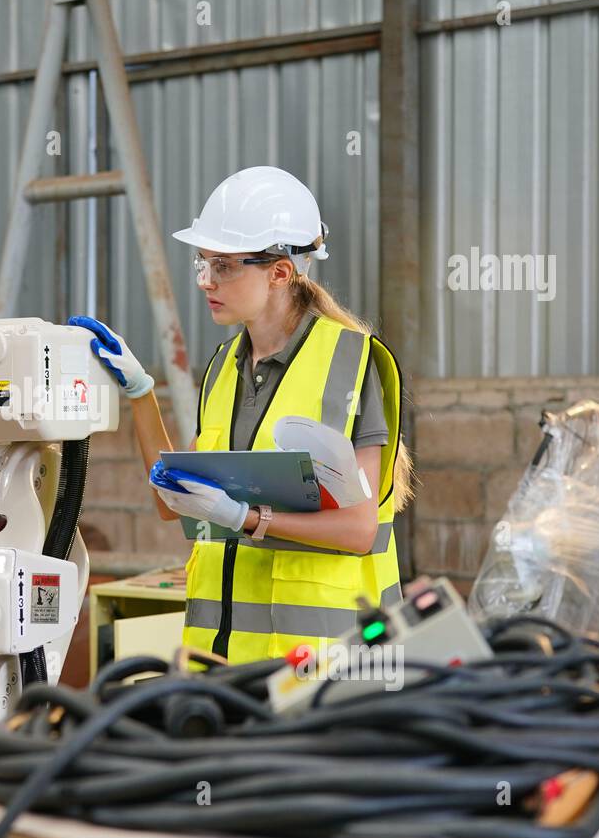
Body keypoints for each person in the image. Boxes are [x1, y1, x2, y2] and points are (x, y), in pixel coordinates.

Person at [71, 166, 414, 664]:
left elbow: (358, 531)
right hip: (221, 664)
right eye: (202, 263)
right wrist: (141, 392)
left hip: (322, 669)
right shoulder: (223, 367)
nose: (206, 280)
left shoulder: (349, 363)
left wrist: (246, 518)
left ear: (280, 271)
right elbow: (174, 502)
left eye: (225, 265)